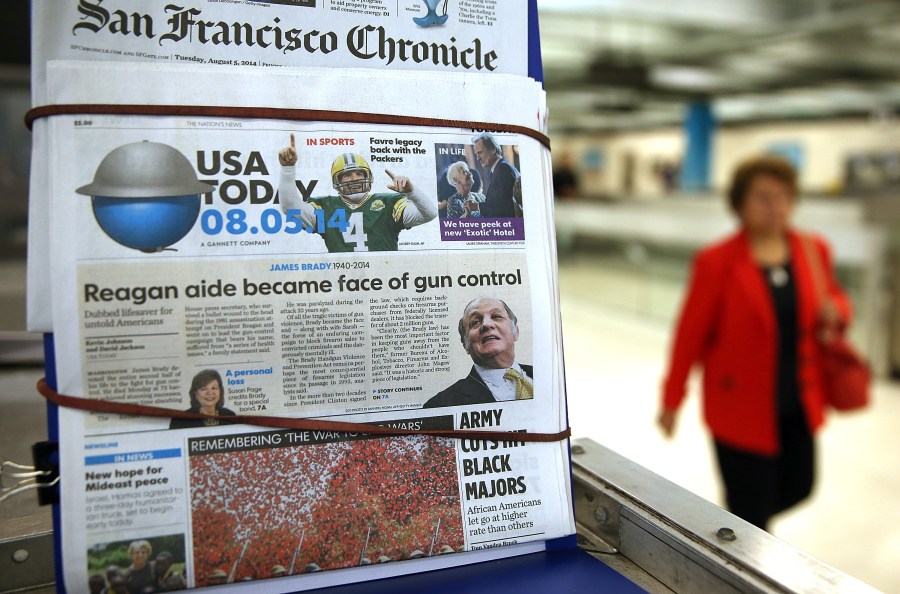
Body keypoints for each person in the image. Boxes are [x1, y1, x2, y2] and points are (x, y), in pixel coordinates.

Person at [657, 155, 851, 531]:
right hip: (739, 407)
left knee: (800, 486)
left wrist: (837, 312)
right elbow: (689, 336)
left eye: (783, 196)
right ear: (740, 204)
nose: (776, 206)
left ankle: (744, 530)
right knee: (751, 509)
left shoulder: (813, 250)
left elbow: (836, 297)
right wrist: (672, 398)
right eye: (763, 197)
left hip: (798, 399)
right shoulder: (717, 262)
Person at [278, 134, 437, 251]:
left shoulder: (389, 203)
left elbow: (429, 214)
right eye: (347, 175)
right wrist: (287, 169)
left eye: (359, 174)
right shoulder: (326, 207)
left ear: (368, 177)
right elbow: (290, 208)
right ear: (337, 182)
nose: (354, 178)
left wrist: (411, 191)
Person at [423, 297, 533, 408]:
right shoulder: (440, 404)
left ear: (516, 332)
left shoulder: (545, 375)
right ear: (465, 345)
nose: (486, 324)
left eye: (496, 316)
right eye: (475, 322)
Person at [471, 132, 520, 218]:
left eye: (480, 153)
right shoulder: (500, 168)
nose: (478, 158)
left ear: (493, 149)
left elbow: (504, 208)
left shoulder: (503, 169)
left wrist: (477, 206)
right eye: (476, 154)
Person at [169, 370, 236, 429]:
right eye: (203, 389)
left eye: (214, 388)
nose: (210, 393)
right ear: (195, 394)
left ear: (220, 391)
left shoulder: (230, 416)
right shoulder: (180, 420)